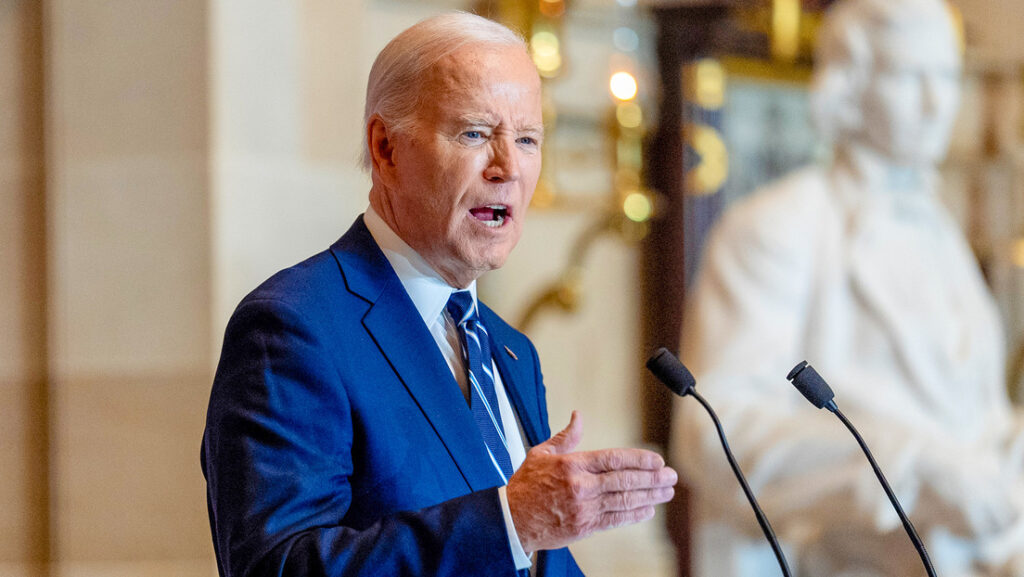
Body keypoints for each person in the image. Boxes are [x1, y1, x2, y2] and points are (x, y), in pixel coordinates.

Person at [201, 11, 677, 577]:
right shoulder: (293, 328)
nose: (508, 168)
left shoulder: (510, 349)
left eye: (527, 139)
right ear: (385, 148)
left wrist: (532, 527)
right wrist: (512, 522)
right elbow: (276, 567)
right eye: (474, 133)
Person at [672, 0, 1024, 575]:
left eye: (948, 77)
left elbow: (972, 416)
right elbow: (715, 431)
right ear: (851, 84)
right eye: (912, 78)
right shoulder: (777, 226)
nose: (939, 104)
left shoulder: (941, 229)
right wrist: (910, 466)